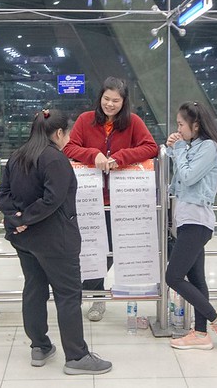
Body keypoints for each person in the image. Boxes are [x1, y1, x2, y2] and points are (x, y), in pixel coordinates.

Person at [0, 109, 112, 375]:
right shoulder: (55, 159)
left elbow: (3, 194)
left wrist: (17, 219)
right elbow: (52, 200)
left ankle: (39, 346)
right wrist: (26, 217)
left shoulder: (17, 156)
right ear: (59, 133)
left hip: (24, 240)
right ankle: (76, 356)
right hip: (55, 240)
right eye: (67, 134)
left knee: (35, 289)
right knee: (68, 295)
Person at [63, 76, 158, 322]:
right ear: (100, 98)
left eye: (116, 100)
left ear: (124, 102)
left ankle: (92, 292)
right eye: (106, 99)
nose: (110, 104)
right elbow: (69, 148)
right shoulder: (85, 120)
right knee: (90, 247)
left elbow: (151, 147)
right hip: (89, 198)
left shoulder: (133, 122)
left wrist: (122, 156)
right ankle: (95, 296)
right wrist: (92, 154)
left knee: (113, 250)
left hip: (122, 197)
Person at [165, 101, 217, 351]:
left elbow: (189, 175)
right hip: (187, 220)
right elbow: (181, 173)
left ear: (196, 124)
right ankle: (202, 334)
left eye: (181, 124)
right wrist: (174, 147)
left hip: (196, 221)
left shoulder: (209, 147)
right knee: (196, 277)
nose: (179, 128)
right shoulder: (194, 146)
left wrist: (179, 146)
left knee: (173, 276)